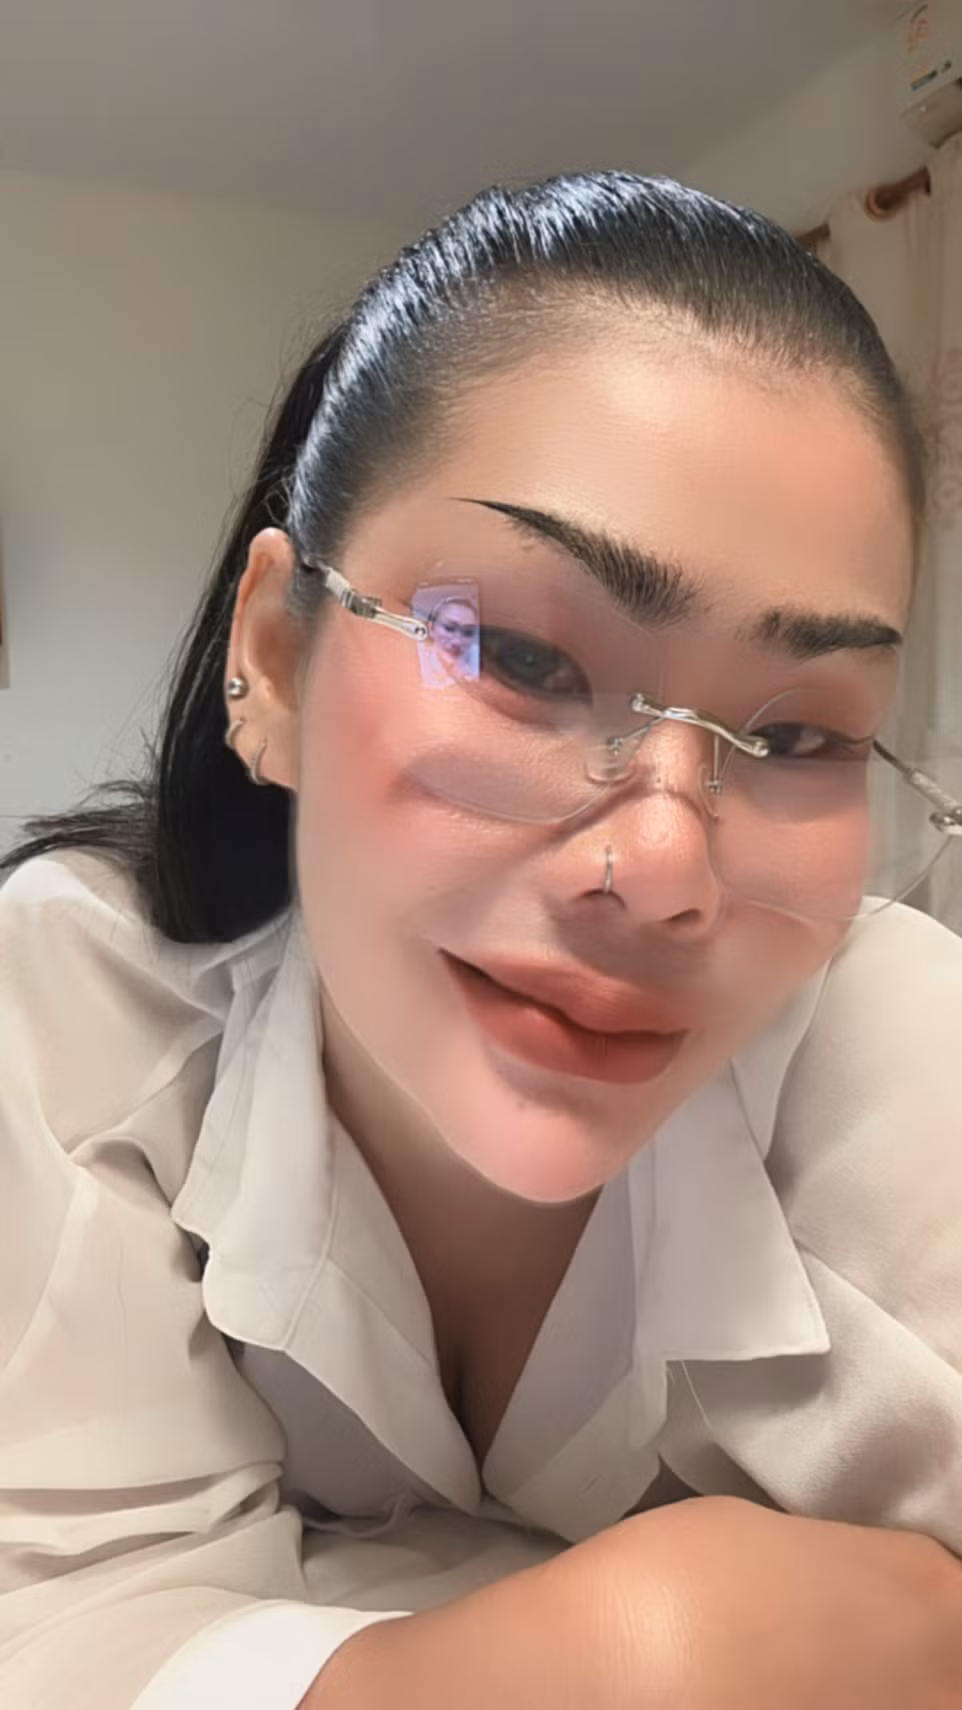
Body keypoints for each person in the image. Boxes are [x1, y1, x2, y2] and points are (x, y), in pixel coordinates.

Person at [1, 171, 962, 1710]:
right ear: (276, 655)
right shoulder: (82, 1004)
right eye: (519, 654)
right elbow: (59, 1612)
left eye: (797, 737)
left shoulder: (901, 1081)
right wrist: (595, 1656)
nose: (665, 869)